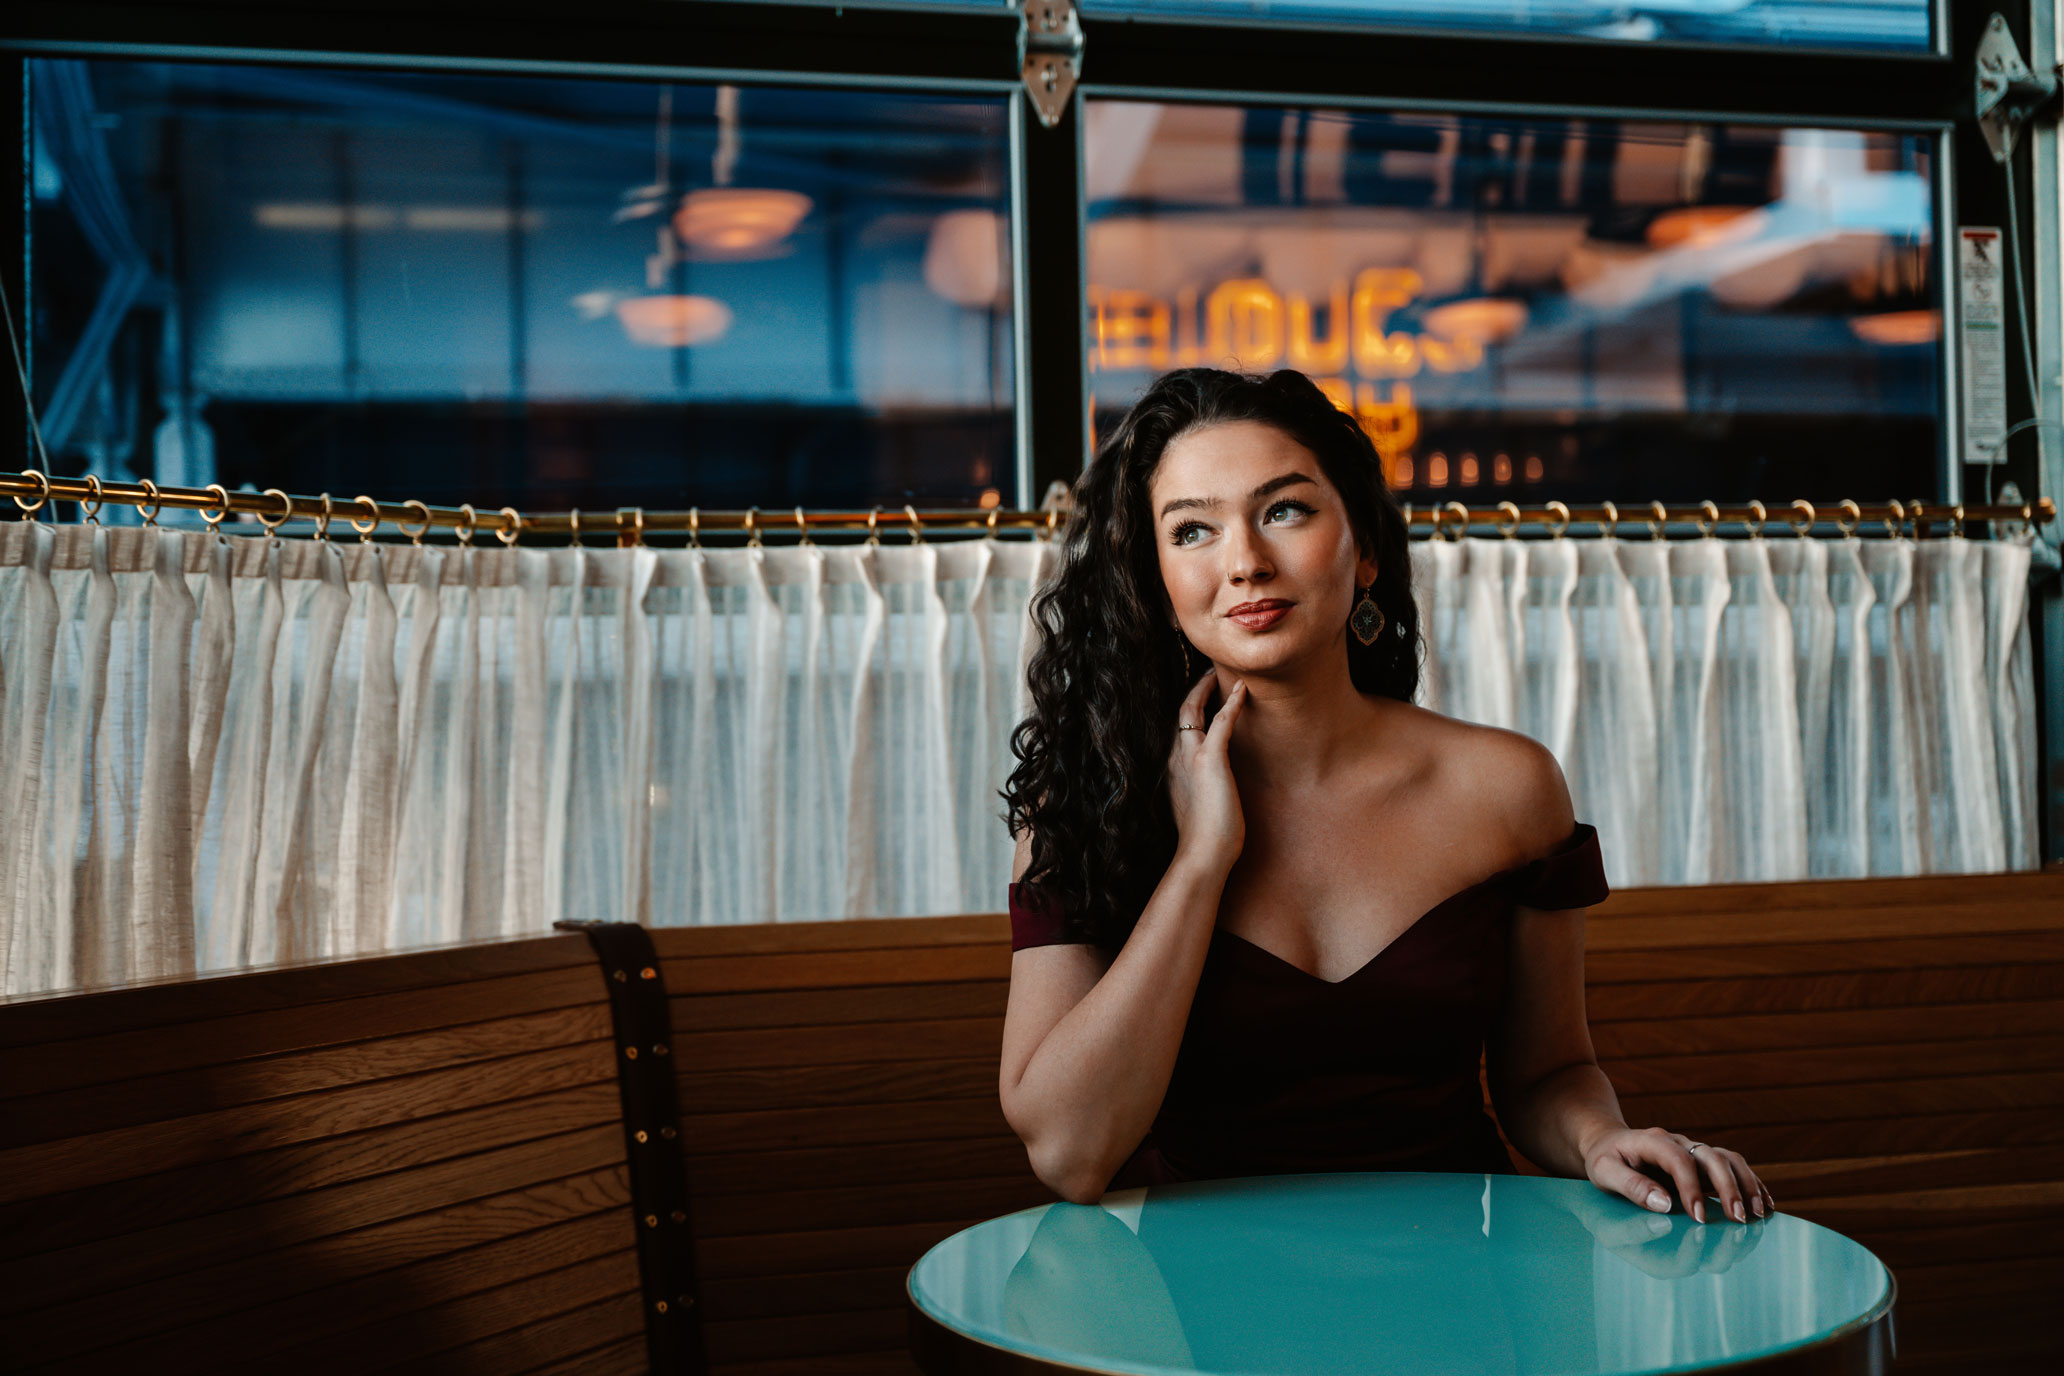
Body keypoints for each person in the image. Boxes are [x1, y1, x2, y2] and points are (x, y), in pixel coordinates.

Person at [997, 366, 1772, 1228]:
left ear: (1363, 547)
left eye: (1284, 510)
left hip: (1468, 1288)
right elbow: (1070, 1153)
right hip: (1209, 1316)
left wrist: (1598, 1139)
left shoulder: (1506, 788)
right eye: (1192, 531)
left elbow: (1547, 1074)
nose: (1246, 562)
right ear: (1154, 578)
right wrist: (1200, 863)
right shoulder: (1086, 803)